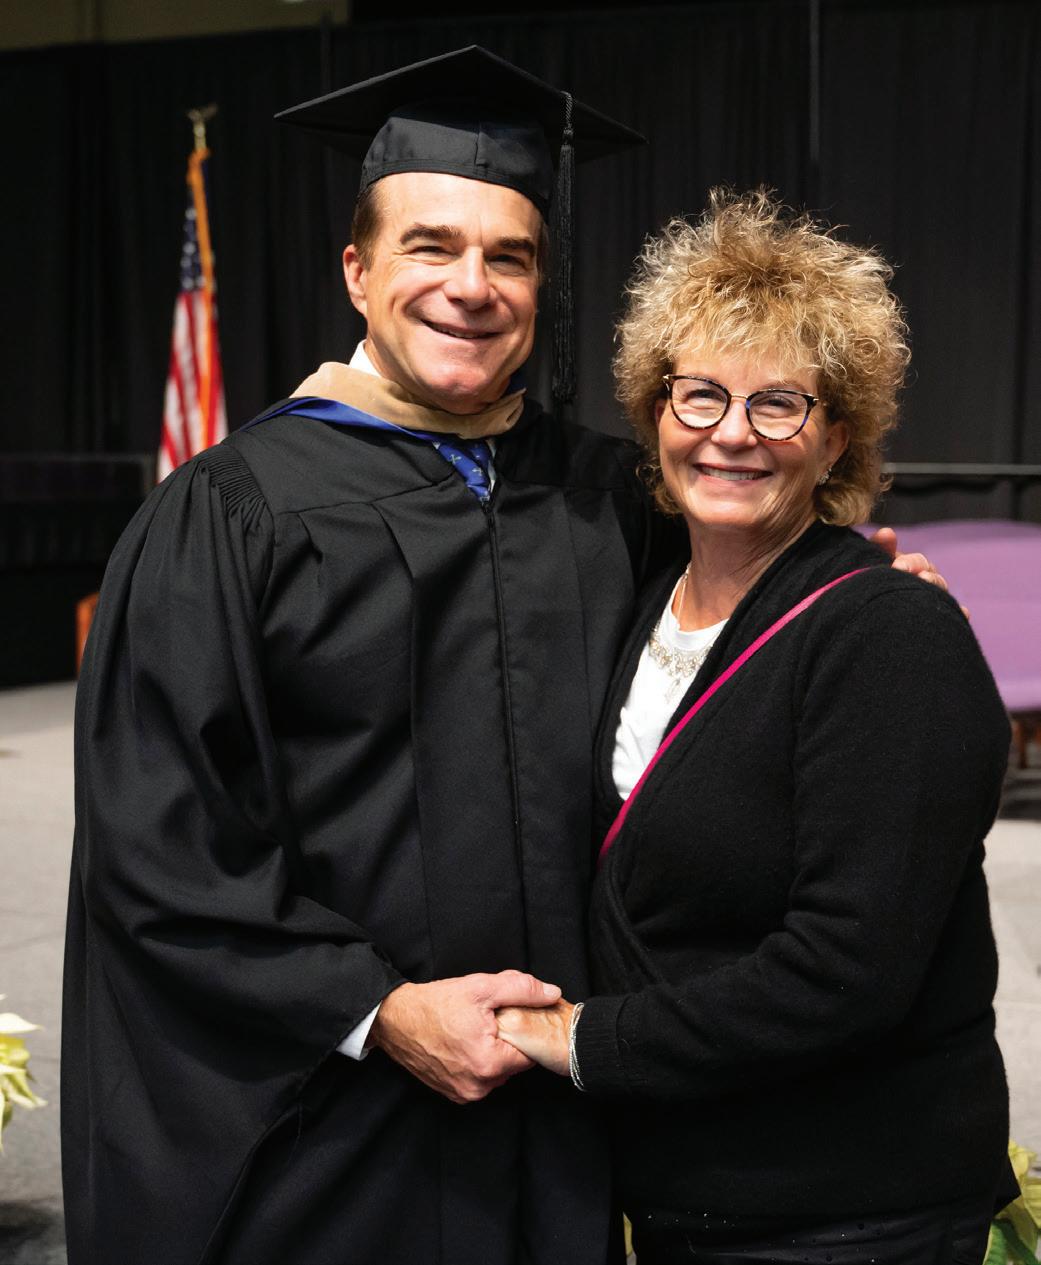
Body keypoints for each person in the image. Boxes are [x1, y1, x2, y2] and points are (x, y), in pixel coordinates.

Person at [61, 46, 947, 1265]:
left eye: (511, 256)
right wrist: (376, 1009)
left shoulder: (609, 495)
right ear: (358, 269)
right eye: (430, 246)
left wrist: (860, 590)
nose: (470, 287)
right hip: (337, 1127)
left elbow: (746, 633)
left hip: (566, 1117)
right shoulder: (234, 512)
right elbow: (158, 842)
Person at [498, 189, 1013, 1265]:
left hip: (845, 1211)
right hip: (689, 1189)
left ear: (835, 439)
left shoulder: (887, 634)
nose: (731, 432)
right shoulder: (648, 604)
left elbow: (845, 971)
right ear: (655, 414)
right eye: (700, 395)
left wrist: (581, 1036)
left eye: (779, 404)